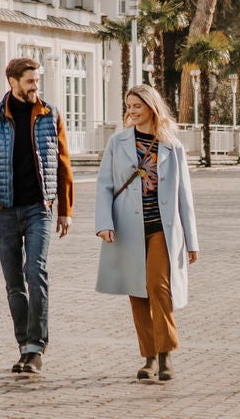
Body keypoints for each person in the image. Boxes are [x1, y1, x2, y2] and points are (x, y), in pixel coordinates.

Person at [0, 56, 74, 376]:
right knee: (14, 283)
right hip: (5, 209)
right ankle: (24, 346)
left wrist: (65, 210)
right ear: (12, 82)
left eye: (37, 80)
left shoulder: (50, 116)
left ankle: (37, 347)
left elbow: (63, 165)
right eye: (30, 81)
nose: (35, 86)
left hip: (40, 207)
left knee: (35, 272)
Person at [95, 84, 197, 383]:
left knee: (158, 287)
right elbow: (104, 185)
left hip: (162, 230)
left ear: (151, 107)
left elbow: (184, 196)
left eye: (136, 106)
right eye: (128, 106)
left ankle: (166, 355)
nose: (131, 111)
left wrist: (192, 241)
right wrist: (104, 223)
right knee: (137, 292)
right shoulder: (118, 142)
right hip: (128, 227)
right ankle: (149, 357)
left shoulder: (172, 146)